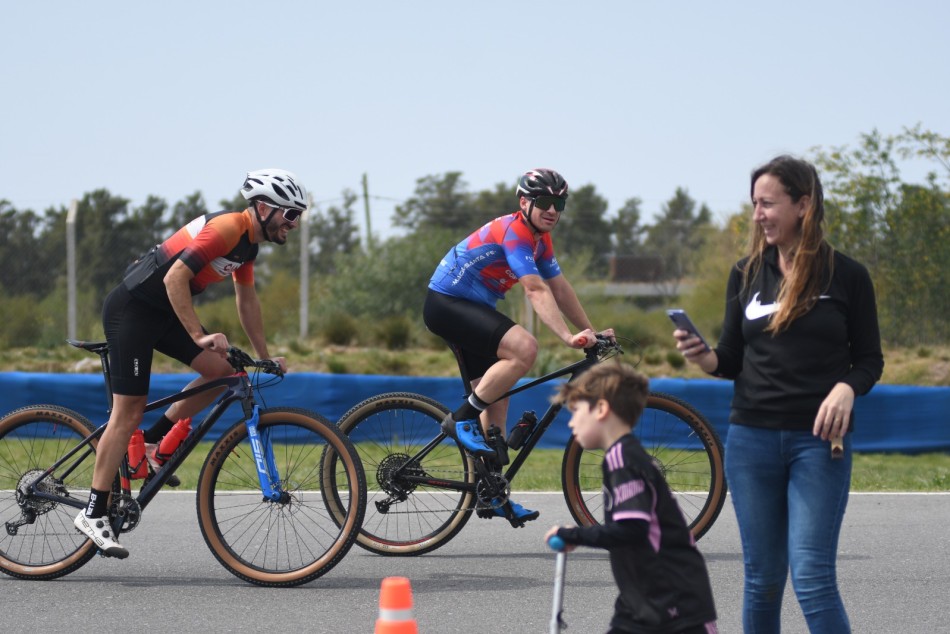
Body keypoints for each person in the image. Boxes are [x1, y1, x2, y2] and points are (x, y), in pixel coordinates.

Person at [673, 155, 884, 632]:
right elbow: (730, 358)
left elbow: (870, 359)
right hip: (751, 441)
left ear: (803, 205)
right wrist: (704, 357)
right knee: (763, 580)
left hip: (819, 443)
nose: (757, 215)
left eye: (768, 204)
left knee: (812, 577)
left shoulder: (847, 275)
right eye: (755, 204)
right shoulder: (745, 273)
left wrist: (847, 388)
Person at [74, 168, 309, 558]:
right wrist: (199, 335)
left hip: (161, 314)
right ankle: (93, 511)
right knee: (128, 411)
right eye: (290, 214)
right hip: (133, 310)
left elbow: (247, 301)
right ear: (263, 207)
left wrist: (264, 356)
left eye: (298, 215)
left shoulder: (247, 246)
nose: (295, 224)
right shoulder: (228, 228)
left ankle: (153, 443)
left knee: (224, 373)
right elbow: (174, 279)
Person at [424, 168, 614, 524]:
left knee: (496, 403)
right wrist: (567, 337)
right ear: (524, 202)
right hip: (448, 304)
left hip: (473, 308)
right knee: (524, 348)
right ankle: (461, 420)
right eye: (544, 202)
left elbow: (559, 288)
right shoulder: (515, 232)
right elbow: (535, 289)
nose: (552, 210)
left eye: (559, 204)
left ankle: (492, 494)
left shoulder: (542, 240)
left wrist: (589, 331)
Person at [545, 362, 718, 634]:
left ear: (601, 409)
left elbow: (632, 528)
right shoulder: (624, 456)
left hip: (675, 603)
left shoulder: (623, 460)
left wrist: (574, 535)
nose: (570, 422)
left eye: (576, 411)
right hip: (642, 599)